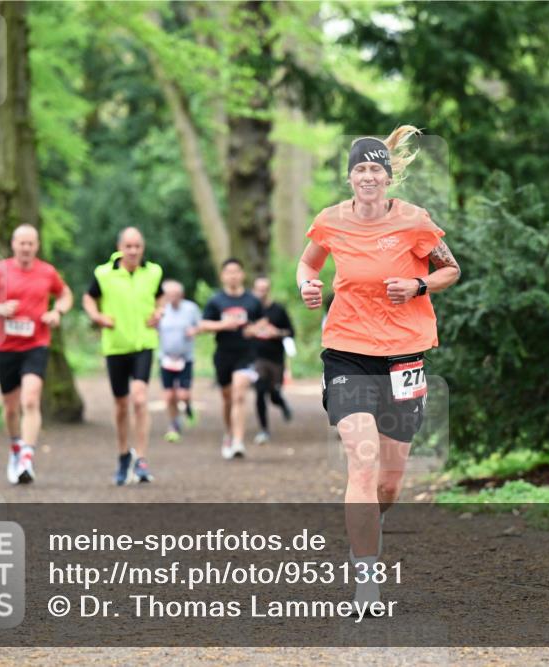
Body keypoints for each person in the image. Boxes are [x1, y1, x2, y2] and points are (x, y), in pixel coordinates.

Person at [296, 126, 461, 608]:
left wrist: (418, 285)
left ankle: (370, 519)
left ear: (387, 177)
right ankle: (366, 578)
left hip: (405, 356)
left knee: (388, 482)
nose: (367, 176)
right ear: (350, 177)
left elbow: (450, 269)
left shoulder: (415, 222)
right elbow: (308, 264)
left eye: (375, 169)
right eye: (360, 169)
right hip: (346, 351)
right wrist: (308, 285)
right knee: (362, 459)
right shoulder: (330, 221)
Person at [0, 224, 73, 485]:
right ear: (13, 244)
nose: (26, 247)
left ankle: (27, 457)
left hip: (36, 344)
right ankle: (16, 447)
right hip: (5, 348)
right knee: (10, 409)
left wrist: (56, 312)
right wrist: (0, 308)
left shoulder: (47, 271)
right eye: (22, 243)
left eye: (31, 243)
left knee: (30, 399)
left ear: (37, 245)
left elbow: (65, 294)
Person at [82, 227, 165, 485]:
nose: (133, 251)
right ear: (120, 247)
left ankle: (141, 458)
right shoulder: (103, 273)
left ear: (143, 248)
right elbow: (88, 297)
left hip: (143, 343)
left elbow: (161, 296)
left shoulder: (153, 272)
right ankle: (122, 455)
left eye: (137, 246)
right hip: (116, 346)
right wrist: (96, 316)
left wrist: (159, 312)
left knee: (139, 399)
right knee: (120, 406)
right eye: (128, 246)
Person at [199, 258, 263, 460]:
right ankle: (229, 432)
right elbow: (203, 325)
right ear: (223, 276)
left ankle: (238, 442)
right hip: (223, 354)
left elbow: (262, 323)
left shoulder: (252, 301)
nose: (233, 275)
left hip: (246, 354)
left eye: (236, 271)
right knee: (227, 399)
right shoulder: (216, 301)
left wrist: (254, 330)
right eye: (229, 272)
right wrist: (223, 325)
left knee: (239, 395)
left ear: (242, 274)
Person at [250, 276, 294, 445]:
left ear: (268, 290)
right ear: (254, 289)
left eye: (264, 289)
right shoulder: (251, 310)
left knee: (273, 394)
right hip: (257, 358)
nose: (261, 292)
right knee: (260, 390)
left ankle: (282, 404)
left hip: (275, 358)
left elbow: (290, 332)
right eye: (258, 289)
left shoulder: (278, 310)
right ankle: (263, 429)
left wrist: (277, 333)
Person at [157, 279, 202, 442]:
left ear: (181, 295)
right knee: (169, 396)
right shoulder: (160, 310)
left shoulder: (191, 309)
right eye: (169, 295)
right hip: (166, 358)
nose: (172, 298)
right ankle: (173, 424)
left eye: (175, 295)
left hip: (185, 358)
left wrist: (195, 330)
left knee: (183, 395)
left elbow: (201, 325)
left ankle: (188, 407)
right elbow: (152, 326)